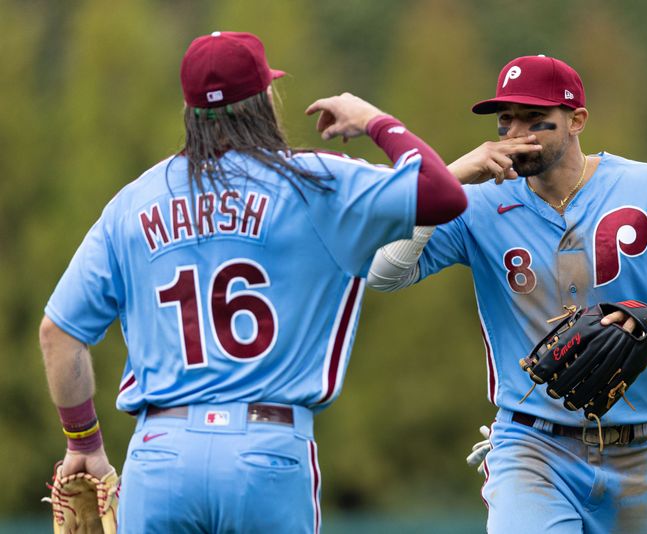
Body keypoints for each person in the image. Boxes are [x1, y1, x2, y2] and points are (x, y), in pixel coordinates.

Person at [39, 31, 466, 533]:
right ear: (265, 99)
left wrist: (83, 442)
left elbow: (58, 334)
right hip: (267, 451)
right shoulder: (317, 183)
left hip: (160, 454)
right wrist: (374, 120)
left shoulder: (133, 201)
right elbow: (443, 194)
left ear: (187, 108)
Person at [368, 55, 647, 533]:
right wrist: (446, 180)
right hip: (532, 448)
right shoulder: (478, 202)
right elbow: (385, 273)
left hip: (640, 455)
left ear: (577, 121)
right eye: (505, 119)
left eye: (534, 118)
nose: (514, 132)